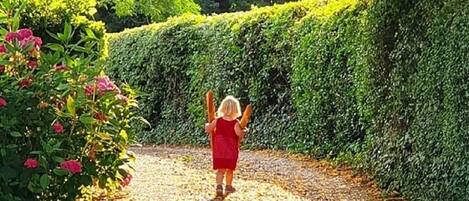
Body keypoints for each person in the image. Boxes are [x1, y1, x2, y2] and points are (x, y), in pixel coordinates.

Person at [205, 95, 245, 197]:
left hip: (219, 151)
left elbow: (208, 129)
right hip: (230, 152)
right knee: (230, 170)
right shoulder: (235, 123)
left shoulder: (217, 121)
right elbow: (239, 134)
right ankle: (228, 185)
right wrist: (243, 131)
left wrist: (207, 126)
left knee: (220, 170)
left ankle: (219, 186)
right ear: (236, 109)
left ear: (222, 107)